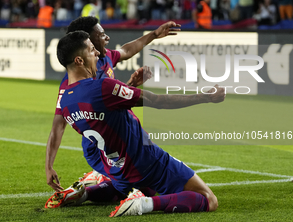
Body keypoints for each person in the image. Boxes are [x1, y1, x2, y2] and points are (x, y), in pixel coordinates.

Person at [45, 31, 225, 217]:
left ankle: (85, 193)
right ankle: (143, 205)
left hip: (116, 168)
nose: (97, 53)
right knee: (208, 199)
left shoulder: (65, 101)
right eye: (91, 50)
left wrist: (129, 84)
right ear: (79, 61)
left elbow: (107, 109)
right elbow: (157, 101)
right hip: (146, 161)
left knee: (143, 187)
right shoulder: (103, 87)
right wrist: (207, 97)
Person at [45, 16, 181, 192]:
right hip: (101, 147)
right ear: (88, 41)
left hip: (122, 133)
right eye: (101, 34)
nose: (107, 38)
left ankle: (93, 186)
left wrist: (154, 34)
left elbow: (126, 51)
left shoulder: (106, 57)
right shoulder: (71, 85)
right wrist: (49, 166)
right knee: (144, 189)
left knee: (145, 187)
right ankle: (101, 177)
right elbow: (58, 127)